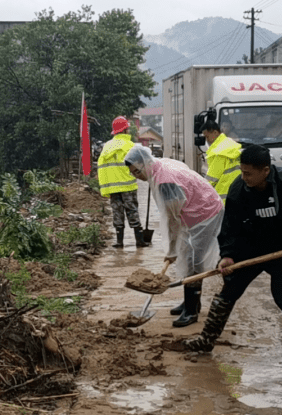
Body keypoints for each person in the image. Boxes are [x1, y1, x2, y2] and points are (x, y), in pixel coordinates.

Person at [184, 143, 282, 365]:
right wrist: (228, 255)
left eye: (248, 173)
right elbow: (230, 226)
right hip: (249, 248)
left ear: (265, 170)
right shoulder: (238, 189)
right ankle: (206, 340)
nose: (244, 177)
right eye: (242, 171)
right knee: (228, 291)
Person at [124, 145, 223, 327]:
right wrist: (175, 250)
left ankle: (192, 311)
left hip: (205, 214)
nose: (136, 176)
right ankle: (189, 302)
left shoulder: (165, 182)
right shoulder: (159, 165)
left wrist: (171, 250)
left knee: (194, 261)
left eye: (137, 171)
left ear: (146, 162)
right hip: (192, 211)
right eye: (132, 173)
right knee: (186, 258)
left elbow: (172, 220)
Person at [97, 116, 146, 248]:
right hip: (128, 186)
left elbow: (101, 169)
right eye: (128, 129)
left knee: (117, 213)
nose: (129, 131)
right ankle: (139, 241)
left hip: (113, 189)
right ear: (124, 130)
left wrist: (104, 188)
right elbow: (141, 165)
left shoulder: (106, 146)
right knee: (132, 211)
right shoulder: (130, 146)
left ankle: (119, 242)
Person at [201, 120, 242, 204]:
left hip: (224, 198)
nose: (206, 140)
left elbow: (211, 179)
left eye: (207, 136)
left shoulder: (219, 152)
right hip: (238, 192)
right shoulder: (230, 144)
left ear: (215, 132)